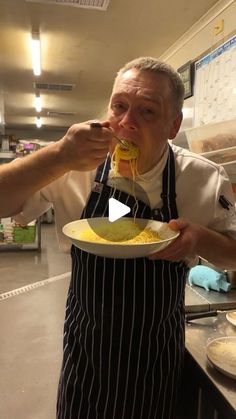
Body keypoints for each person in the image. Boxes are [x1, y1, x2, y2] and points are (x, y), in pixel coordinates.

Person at [1, 57, 236, 419]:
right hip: (86, 356)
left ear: (173, 126)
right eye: (120, 107)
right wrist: (58, 155)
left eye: (147, 112)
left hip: (154, 361)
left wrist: (202, 239)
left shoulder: (202, 178)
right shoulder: (73, 166)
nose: (126, 123)